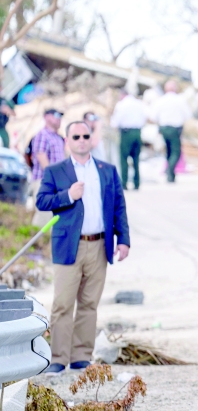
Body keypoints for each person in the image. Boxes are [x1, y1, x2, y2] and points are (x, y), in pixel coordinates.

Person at [35, 120, 130, 375]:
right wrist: (68, 195)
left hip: (99, 245)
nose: (81, 140)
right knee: (63, 304)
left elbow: (119, 206)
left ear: (91, 139)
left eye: (85, 136)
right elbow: (42, 201)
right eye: (75, 136)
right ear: (67, 141)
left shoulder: (107, 170)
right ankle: (58, 358)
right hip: (69, 246)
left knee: (89, 304)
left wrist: (123, 239)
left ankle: (80, 357)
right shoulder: (56, 171)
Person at [29, 109, 66, 226]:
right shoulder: (42, 135)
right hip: (45, 182)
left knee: (53, 220)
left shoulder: (58, 137)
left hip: (57, 184)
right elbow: (41, 157)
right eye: (55, 115)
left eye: (60, 116)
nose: (58, 118)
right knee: (43, 220)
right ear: (46, 117)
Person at [151, 80, 191, 183]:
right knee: (176, 152)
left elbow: (153, 116)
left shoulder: (161, 100)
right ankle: (169, 170)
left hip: (164, 128)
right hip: (174, 129)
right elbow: (188, 115)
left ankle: (171, 175)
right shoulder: (180, 100)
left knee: (169, 151)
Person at [111, 86, 149, 190]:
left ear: (123, 95)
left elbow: (115, 122)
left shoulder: (121, 105)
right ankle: (137, 183)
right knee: (136, 159)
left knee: (124, 159)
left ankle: (124, 182)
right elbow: (145, 117)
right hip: (137, 132)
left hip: (126, 133)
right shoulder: (139, 103)